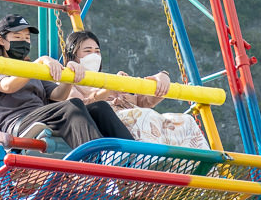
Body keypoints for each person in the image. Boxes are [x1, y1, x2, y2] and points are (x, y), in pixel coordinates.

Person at [0, 14, 133, 150]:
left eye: (27, 38)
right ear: (2, 40)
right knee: (72, 105)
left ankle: (130, 154)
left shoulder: (32, 70)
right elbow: (8, 86)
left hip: (43, 116)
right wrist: (39, 63)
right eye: (17, 37)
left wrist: (69, 77)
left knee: (99, 107)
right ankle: (97, 157)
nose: (23, 41)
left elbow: (58, 95)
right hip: (18, 122)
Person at [61, 30, 209, 150]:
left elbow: (143, 101)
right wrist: (109, 90)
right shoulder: (69, 81)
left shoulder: (109, 78)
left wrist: (161, 77)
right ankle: (148, 160)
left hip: (136, 115)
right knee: (143, 115)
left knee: (185, 120)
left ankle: (199, 167)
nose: (94, 55)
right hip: (108, 122)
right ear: (73, 54)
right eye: (88, 51)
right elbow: (77, 108)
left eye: (97, 51)